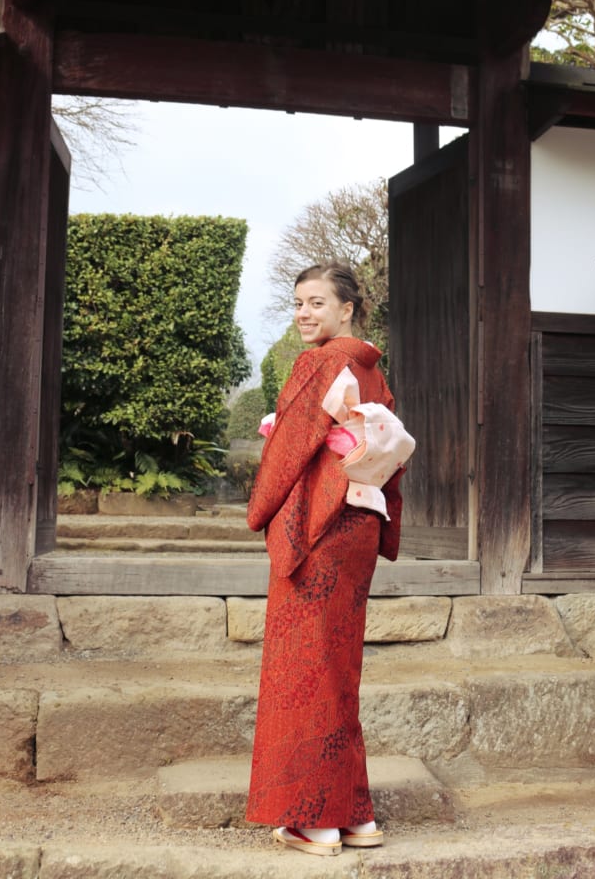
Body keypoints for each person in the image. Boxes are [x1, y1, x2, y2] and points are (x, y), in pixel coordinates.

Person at [245, 262, 409, 857]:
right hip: (359, 522)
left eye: (317, 302)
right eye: (298, 303)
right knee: (337, 668)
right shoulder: (371, 370)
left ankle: (313, 819)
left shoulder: (317, 363)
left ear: (347, 309)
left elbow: (291, 449)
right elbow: (390, 454)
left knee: (304, 670)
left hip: (319, 527)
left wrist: (259, 509)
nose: (304, 314)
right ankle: (355, 815)